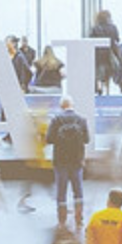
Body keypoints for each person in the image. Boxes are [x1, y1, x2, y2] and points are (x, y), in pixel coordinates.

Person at [46, 95, 89, 229]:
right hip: (76, 160)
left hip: (60, 161)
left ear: (61, 106)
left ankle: (62, 221)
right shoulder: (81, 120)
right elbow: (87, 140)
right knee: (78, 190)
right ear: (72, 105)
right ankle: (79, 218)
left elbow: (49, 139)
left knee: (61, 192)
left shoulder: (56, 120)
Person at [89, 8, 120, 94]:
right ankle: (107, 90)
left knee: (99, 73)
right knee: (108, 73)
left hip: (98, 55)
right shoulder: (113, 28)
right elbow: (117, 40)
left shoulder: (95, 28)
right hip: (110, 55)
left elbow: (90, 41)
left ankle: (99, 87)